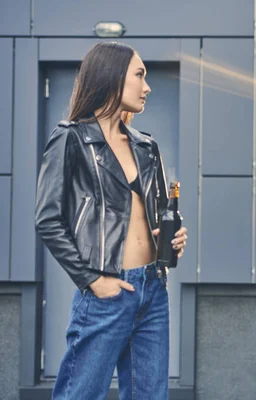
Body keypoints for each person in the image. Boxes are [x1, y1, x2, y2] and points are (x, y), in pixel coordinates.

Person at [35, 41, 188, 400]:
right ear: (112, 76)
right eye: (139, 75)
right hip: (108, 290)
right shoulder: (71, 139)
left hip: (152, 288)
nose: (147, 86)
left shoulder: (146, 146)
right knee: (81, 394)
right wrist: (91, 279)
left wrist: (171, 239)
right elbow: (48, 219)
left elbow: (155, 213)